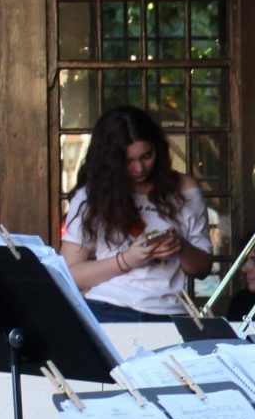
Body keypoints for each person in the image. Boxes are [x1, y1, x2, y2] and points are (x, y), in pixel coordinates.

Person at [60, 105, 213, 322]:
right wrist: (126, 260)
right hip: (107, 308)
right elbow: (69, 275)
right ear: (110, 161)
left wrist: (181, 246)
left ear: (158, 149)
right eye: (128, 161)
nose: (139, 168)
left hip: (170, 312)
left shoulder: (184, 188)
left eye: (146, 156)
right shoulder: (92, 194)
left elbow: (202, 268)